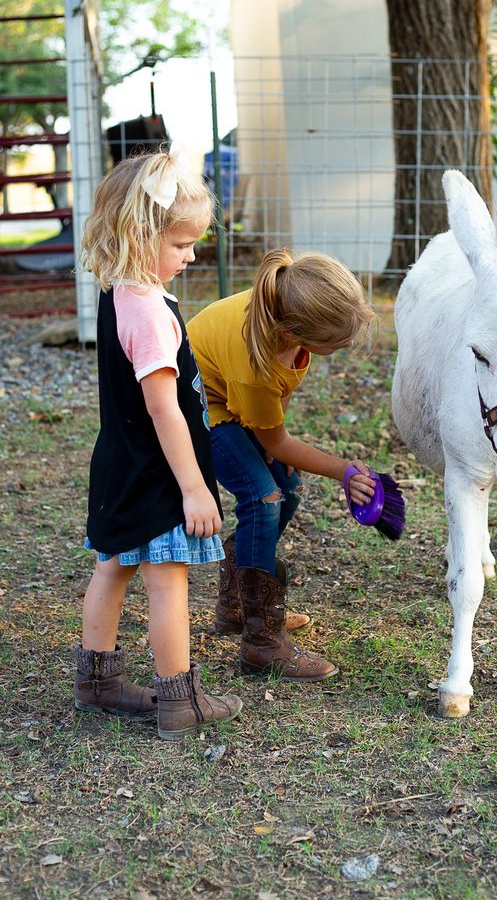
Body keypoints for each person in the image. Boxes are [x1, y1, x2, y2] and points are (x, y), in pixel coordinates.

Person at [76, 147, 242, 740]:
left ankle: (96, 679)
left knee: (114, 565)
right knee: (167, 575)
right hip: (158, 473)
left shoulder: (120, 292)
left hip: (120, 463)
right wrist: (195, 490)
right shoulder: (149, 313)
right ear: (137, 234)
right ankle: (180, 699)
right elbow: (163, 407)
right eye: (179, 244)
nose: (192, 255)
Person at [187, 248, 377, 681]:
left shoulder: (285, 321)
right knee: (264, 497)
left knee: (286, 490)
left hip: (234, 399)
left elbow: (278, 398)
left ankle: (238, 604)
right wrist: (344, 471)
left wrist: (265, 432)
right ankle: (262, 640)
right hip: (199, 410)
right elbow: (279, 436)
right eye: (340, 341)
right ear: (297, 331)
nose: (347, 345)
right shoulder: (256, 357)